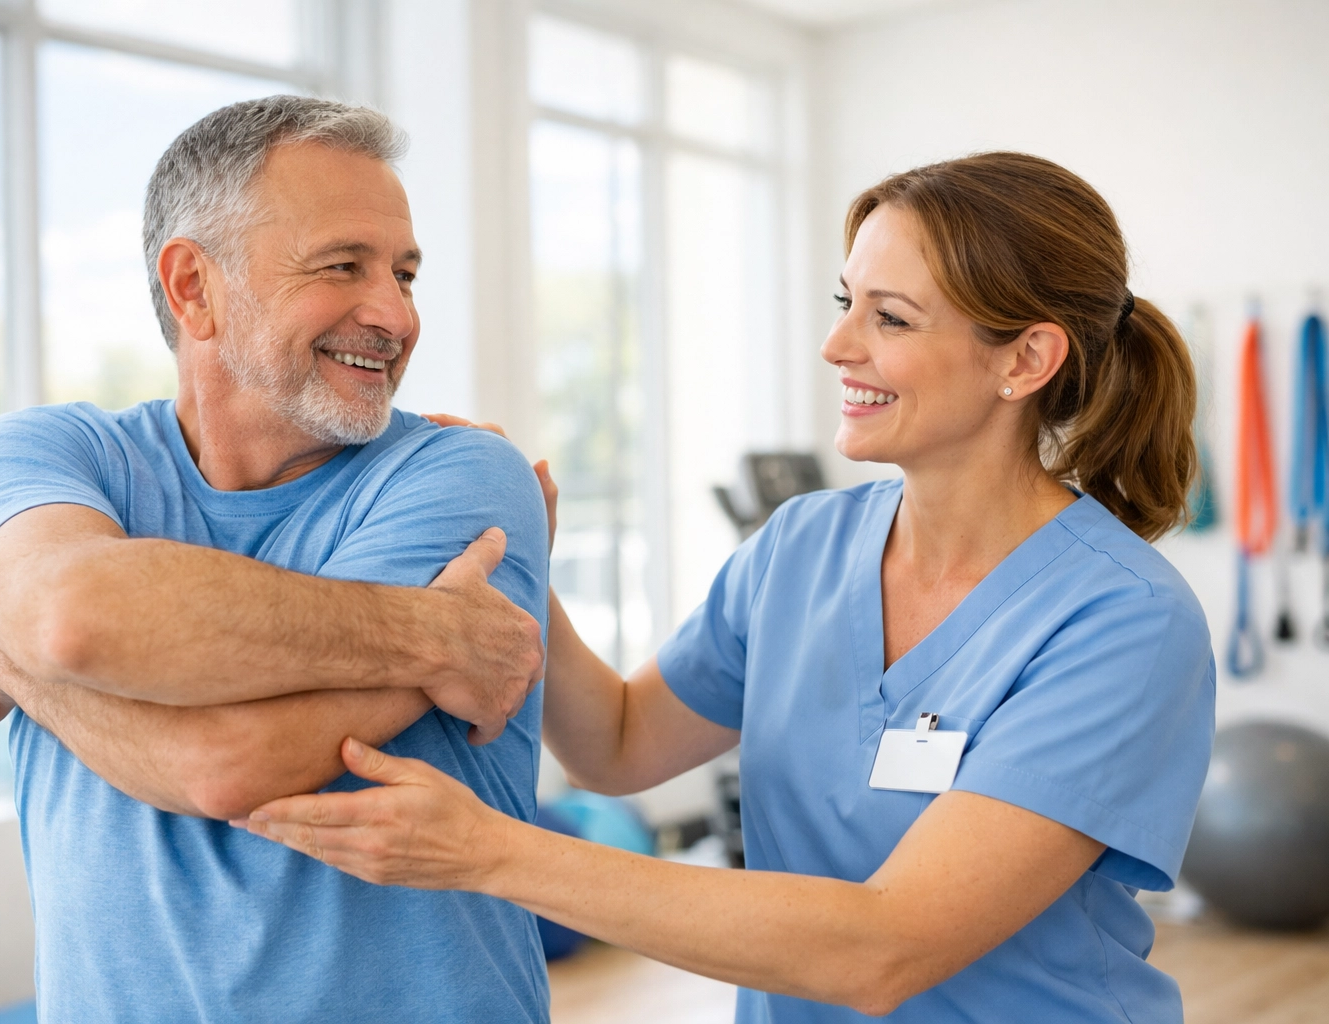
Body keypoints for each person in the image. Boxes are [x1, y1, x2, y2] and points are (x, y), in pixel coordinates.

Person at [239, 152, 1217, 1022]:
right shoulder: (803, 546)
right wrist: (517, 560)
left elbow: (887, 948)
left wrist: (490, 850)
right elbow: (619, 744)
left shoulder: (1122, 622)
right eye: (846, 303)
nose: (838, 346)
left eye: (890, 318)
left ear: (1027, 359)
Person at [0, 96, 554, 1023]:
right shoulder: (44, 455)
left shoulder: (464, 476)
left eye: (405, 274)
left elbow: (223, 763)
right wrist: (433, 632)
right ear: (193, 287)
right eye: (343, 265)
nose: (395, 314)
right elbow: (75, 615)